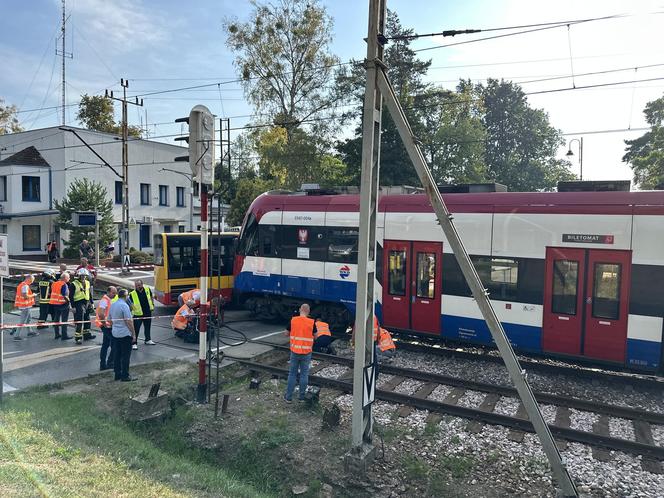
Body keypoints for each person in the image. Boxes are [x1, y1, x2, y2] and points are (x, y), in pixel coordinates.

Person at [284, 303, 315, 403]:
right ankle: (301, 397)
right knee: (304, 374)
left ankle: (288, 397)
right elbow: (316, 336)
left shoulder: (293, 320)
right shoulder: (311, 322)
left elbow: (286, 333)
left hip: (295, 351)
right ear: (308, 311)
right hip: (306, 352)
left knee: (292, 374)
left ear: (299, 309)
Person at [109, 288, 137, 382]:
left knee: (117, 354)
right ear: (126, 296)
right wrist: (133, 334)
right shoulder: (124, 306)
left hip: (115, 333)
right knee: (125, 355)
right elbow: (128, 321)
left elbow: (110, 319)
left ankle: (117, 374)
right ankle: (125, 375)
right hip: (125, 334)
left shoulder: (113, 305)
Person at [128, 279, 156, 349]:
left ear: (142, 285)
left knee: (147, 327)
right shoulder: (132, 294)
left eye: (139, 285)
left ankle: (148, 339)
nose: (137, 286)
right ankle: (134, 343)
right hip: (138, 314)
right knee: (136, 329)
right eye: (136, 285)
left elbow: (151, 297)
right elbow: (130, 304)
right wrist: (132, 312)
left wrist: (152, 305)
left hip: (147, 312)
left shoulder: (147, 289)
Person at [96, 286, 118, 371]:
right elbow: (101, 313)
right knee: (115, 343)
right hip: (106, 326)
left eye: (115, 293)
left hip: (107, 325)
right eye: (113, 293)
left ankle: (103, 364)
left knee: (105, 344)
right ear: (108, 292)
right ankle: (110, 362)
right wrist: (105, 324)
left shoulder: (107, 300)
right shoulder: (105, 300)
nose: (115, 294)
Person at [72, 269, 95, 344]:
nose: (83, 277)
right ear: (79, 275)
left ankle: (87, 334)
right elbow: (71, 296)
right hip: (78, 303)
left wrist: (92, 303)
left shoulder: (87, 282)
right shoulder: (74, 284)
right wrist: (73, 306)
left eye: (85, 276)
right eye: (82, 276)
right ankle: (78, 337)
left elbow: (89, 293)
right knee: (80, 320)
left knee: (87, 319)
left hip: (87, 302)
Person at [12, 275, 37, 340]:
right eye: (31, 281)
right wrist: (33, 295)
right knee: (22, 321)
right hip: (25, 306)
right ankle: (16, 336)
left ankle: (30, 331)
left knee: (29, 319)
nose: (32, 282)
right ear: (28, 279)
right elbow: (25, 296)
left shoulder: (22, 284)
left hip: (25, 306)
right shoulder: (25, 286)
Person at [50, 272, 72, 340]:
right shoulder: (64, 284)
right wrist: (69, 302)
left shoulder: (54, 283)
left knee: (56, 319)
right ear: (65, 278)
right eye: (68, 278)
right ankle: (64, 335)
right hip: (63, 304)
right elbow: (65, 295)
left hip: (55, 304)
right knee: (64, 320)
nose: (69, 279)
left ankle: (57, 334)